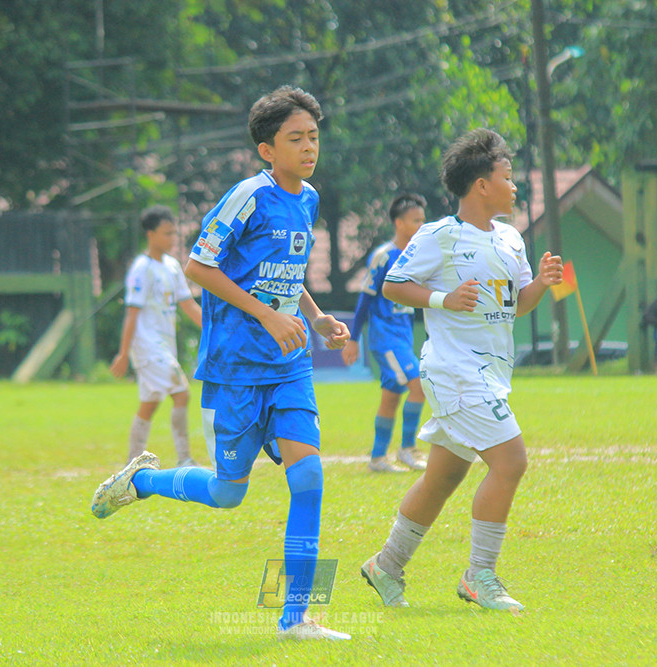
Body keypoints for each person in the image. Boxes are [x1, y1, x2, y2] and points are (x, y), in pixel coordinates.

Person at [91, 85, 352, 641]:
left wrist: (316, 317)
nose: (309, 147)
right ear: (266, 149)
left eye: (314, 137)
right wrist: (266, 316)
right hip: (234, 368)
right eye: (295, 139)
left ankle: (294, 618)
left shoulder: (308, 199)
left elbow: (290, 272)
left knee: (308, 478)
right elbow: (198, 267)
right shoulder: (246, 197)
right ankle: (146, 481)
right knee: (228, 493)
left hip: (289, 365)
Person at [359, 128, 563, 612]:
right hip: (453, 371)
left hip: (490, 374)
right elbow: (393, 285)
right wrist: (441, 298)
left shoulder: (512, 239)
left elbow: (515, 307)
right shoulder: (440, 236)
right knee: (511, 461)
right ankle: (480, 576)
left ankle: (385, 565)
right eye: (508, 178)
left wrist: (543, 284)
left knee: (443, 478)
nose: (515, 187)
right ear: (480, 185)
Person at [110, 205, 203, 467]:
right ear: (150, 234)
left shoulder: (173, 266)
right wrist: (123, 352)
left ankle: (131, 463)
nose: (172, 239)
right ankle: (185, 458)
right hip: (148, 346)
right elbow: (132, 313)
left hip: (164, 346)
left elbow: (189, 306)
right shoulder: (142, 268)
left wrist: (213, 331)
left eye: (174, 233)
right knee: (182, 393)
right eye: (166, 233)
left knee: (150, 402)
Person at [342, 194, 428, 473]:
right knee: (419, 385)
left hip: (402, 336)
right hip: (385, 337)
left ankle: (378, 458)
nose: (420, 225)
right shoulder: (384, 257)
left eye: (423, 220)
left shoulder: (416, 256)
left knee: (391, 397)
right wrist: (354, 340)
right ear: (399, 222)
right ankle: (407, 449)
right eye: (416, 220)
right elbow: (365, 300)